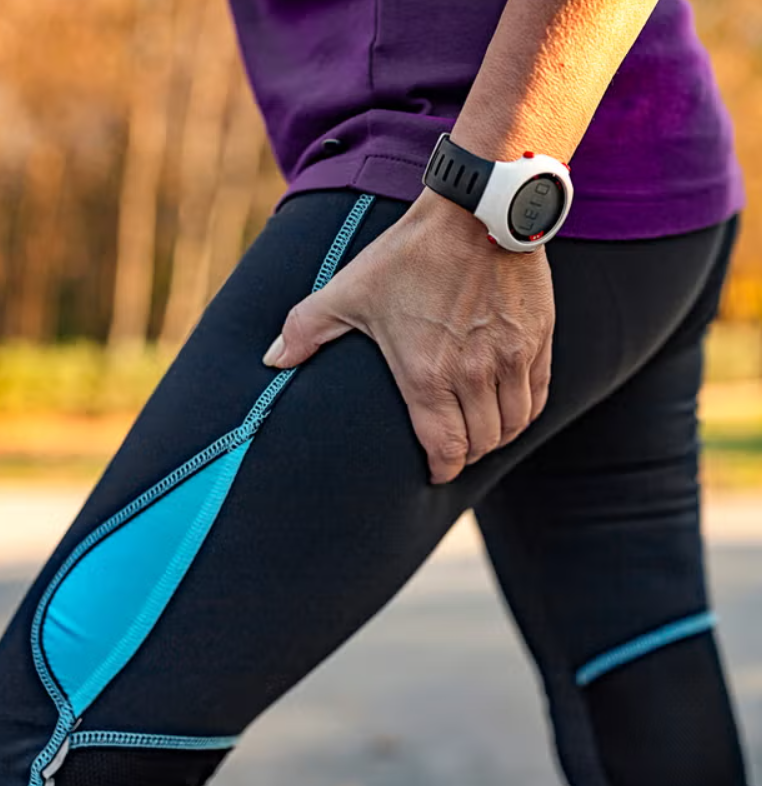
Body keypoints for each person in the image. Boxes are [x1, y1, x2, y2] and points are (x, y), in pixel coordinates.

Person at [0, 0, 750, 784]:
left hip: (456, 183)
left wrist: (483, 204)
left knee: (45, 744)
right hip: (641, 186)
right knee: (634, 673)